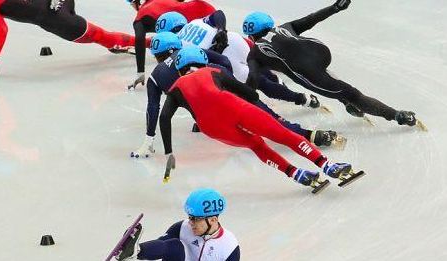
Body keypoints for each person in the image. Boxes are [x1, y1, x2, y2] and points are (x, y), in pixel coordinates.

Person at [159, 46, 354, 188]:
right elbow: (251, 94)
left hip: (212, 127)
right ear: (202, 62)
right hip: (233, 107)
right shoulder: (212, 71)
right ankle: (327, 166)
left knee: (256, 145)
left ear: (179, 70)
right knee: (284, 135)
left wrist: (169, 152)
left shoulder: (174, 89)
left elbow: (164, 117)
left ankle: (296, 174)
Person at [131, 33, 341, 159]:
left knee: (254, 130)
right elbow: (222, 62)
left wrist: (149, 140)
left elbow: (154, 109)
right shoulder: (191, 50)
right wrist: (227, 81)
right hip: (222, 85)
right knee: (267, 117)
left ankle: (302, 126)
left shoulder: (155, 77)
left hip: (209, 116)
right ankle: (308, 132)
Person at [243, 0, 419, 127]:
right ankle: (346, 101)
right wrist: (336, 7)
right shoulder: (285, 26)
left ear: (251, 36)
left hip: (310, 73)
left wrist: (244, 102)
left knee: (353, 95)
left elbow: (253, 77)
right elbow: (311, 19)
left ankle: (397, 115)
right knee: (324, 74)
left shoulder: (254, 53)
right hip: (321, 52)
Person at [157, 11, 321, 108]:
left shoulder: (176, 49)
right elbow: (218, 14)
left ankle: (301, 99)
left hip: (222, 56)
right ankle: (286, 84)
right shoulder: (193, 23)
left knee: (257, 84)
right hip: (233, 39)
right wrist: (221, 30)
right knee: (259, 68)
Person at [0, 0, 149, 77]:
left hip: (60, 22)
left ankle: (149, 43)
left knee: (102, 36)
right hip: (59, 5)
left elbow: (2, 29)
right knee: (102, 37)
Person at [115, 188, 240, 261]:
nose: (191, 223)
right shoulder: (182, 227)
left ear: (213, 220)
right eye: (190, 217)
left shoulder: (229, 246)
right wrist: (136, 248)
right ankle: (134, 251)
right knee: (175, 246)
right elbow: (161, 246)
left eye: (196, 219)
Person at [126, 0, 216, 89]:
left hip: (192, 22)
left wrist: (140, 72)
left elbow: (139, 40)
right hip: (204, 11)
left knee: (166, 47)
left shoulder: (139, 18)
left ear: (134, 2)